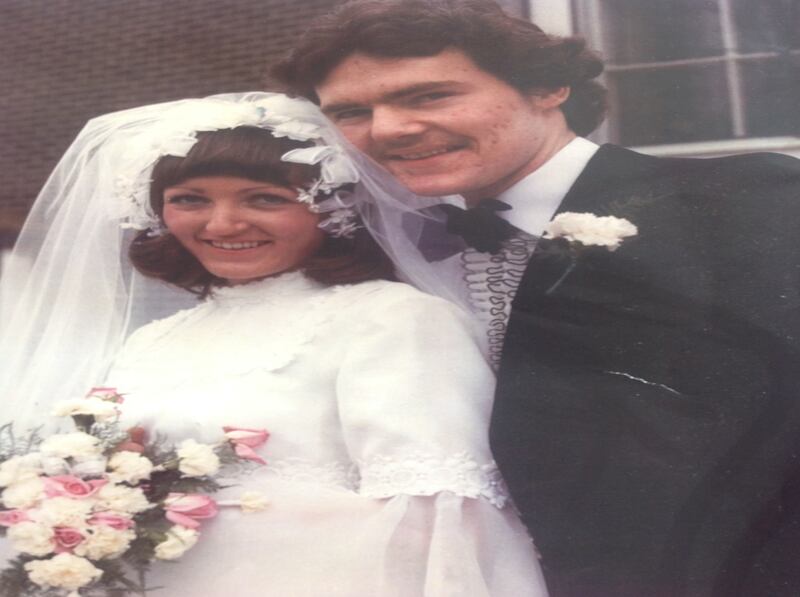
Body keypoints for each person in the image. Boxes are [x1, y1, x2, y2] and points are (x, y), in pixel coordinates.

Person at [272, 1, 800, 595]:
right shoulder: (372, 255)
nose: (389, 129)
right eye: (351, 112)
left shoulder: (745, 200)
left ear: (548, 87)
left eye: (428, 96)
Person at [0, 93, 548, 596]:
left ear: (331, 209)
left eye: (264, 199)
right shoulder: (154, 337)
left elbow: (435, 511)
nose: (222, 224)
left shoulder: (394, 317)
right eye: (189, 199)